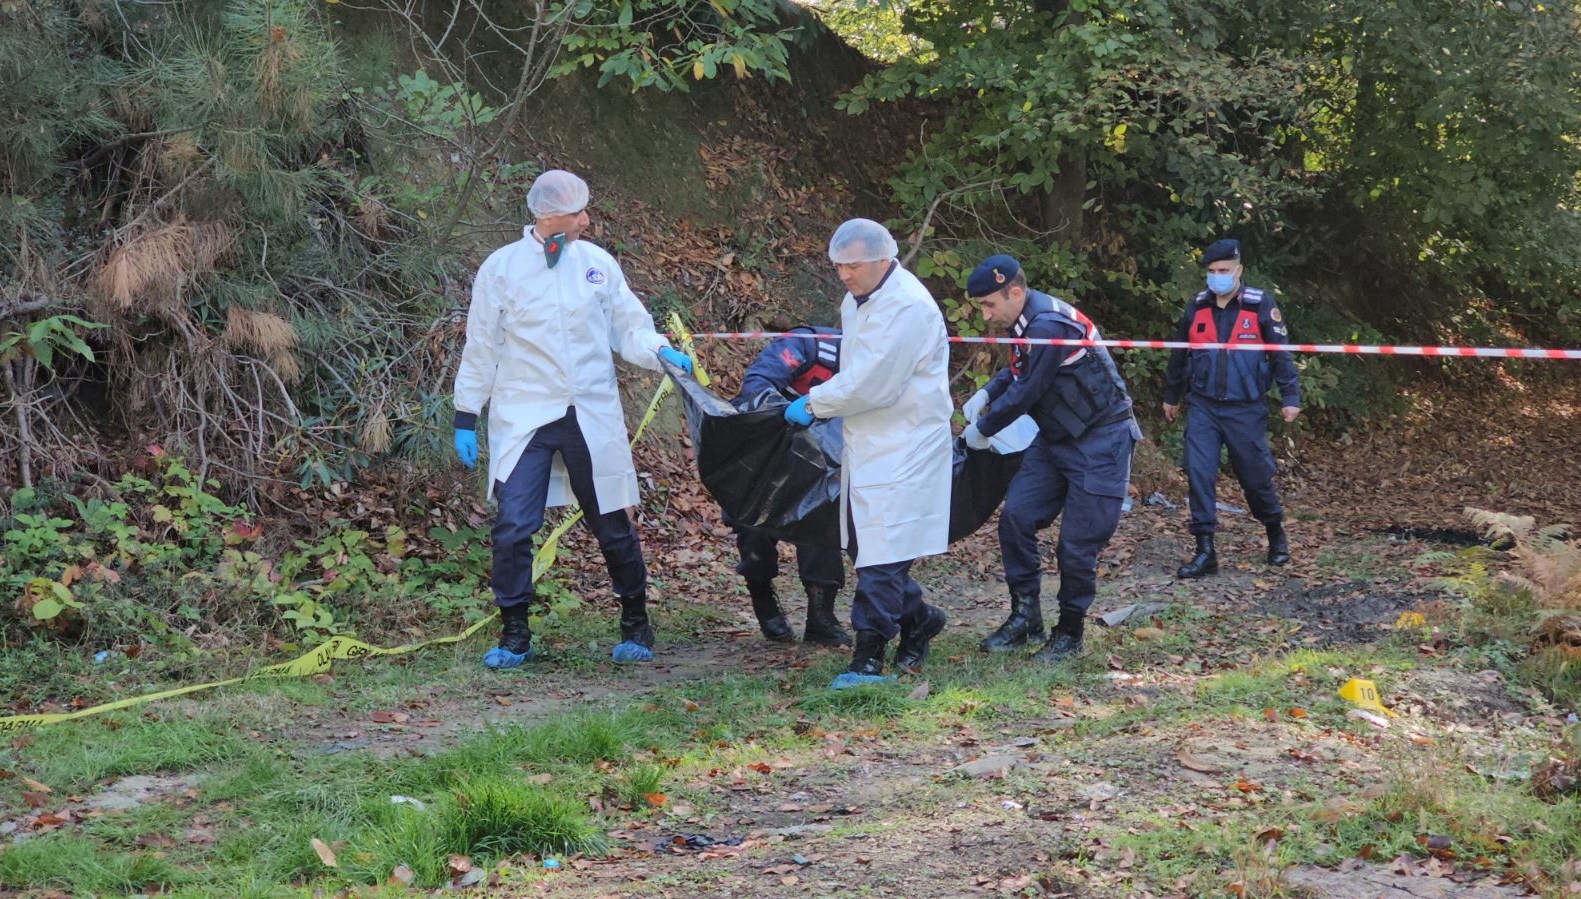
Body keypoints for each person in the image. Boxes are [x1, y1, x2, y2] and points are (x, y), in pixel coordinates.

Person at [452, 170, 695, 669]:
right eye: (576, 212)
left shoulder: (598, 265)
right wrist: (465, 412)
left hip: (589, 410)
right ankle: (515, 632)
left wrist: (663, 353)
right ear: (546, 217)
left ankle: (635, 620)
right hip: (525, 415)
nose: (587, 219)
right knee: (513, 525)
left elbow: (630, 329)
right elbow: (482, 346)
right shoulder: (501, 269)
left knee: (611, 521)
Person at [784, 219, 952, 688]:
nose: (844, 275)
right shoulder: (856, 300)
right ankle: (919, 619)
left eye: (853, 266)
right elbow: (856, 368)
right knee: (867, 546)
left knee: (882, 552)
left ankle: (869, 655)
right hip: (869, 438)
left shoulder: (908, 308)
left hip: (907, 442)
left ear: (883, 260)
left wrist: (815, 403)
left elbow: (875, 383)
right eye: (838, 266)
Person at [959, 255, 1140, 662]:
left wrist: (984, 429)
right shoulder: (1025, 322)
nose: (986, 315)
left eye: (989, 304)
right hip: (1056, 438)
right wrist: (988, 391)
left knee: (1076, 545)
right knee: (1017, 517)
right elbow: (1018, 371)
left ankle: (1069, 633)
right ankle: (1026, 618)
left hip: (1101, 441)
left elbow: (1030, 391)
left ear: (1016, 292)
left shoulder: (1049, 325)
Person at [1162, 238, 1300, 578]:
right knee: (1199, 472)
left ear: (1238, 271)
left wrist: (1290, 397)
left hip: (1245, 408)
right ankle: (1205, 550)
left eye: (1223, 271)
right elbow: (1179, 354)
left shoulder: (1259, 305)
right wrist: (1171, 396)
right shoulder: (1197, 307)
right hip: (1203, 406)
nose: (1217, 277)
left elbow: (1280, 354)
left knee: (1255, 477)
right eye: (1211, 272)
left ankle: (1275, 532)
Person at [730, 327, 851, 646]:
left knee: (822, 522)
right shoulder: (805, 345)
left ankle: (821, 615)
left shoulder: (875, 362)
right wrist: (787, 412)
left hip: (822, 460)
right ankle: (762, 597)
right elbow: (755, 383)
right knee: (752, 528)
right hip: (767, 448)